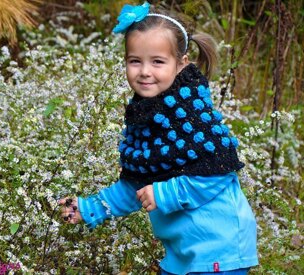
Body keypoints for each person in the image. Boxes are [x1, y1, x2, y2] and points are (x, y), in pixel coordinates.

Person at [58, 2, 258, 274]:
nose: (144, 71)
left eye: (158, 61)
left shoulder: (191, 116)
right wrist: (89, 208)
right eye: (135, 61)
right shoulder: (144, 118)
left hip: (219, 247)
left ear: (181, 64)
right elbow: (135, 186)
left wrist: (163, 192)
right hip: (181, 252)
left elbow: (216, 174)